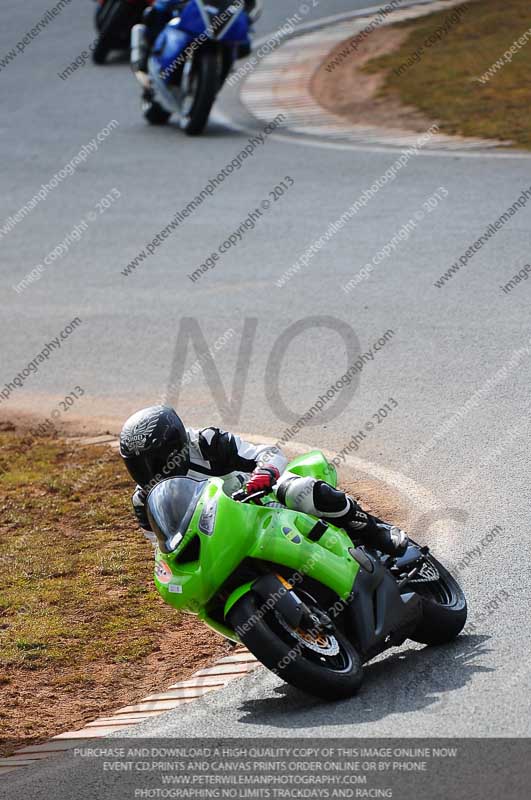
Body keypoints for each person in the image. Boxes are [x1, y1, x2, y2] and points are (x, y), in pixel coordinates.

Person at [119, 405, 408, 556]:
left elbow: (268, 454)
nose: (149, 472)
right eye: (138, 466)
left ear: (177, 445)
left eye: (155, 461)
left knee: (302, 491)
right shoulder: (144, 501)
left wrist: (263, 474)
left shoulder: (207, 443)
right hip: (223, 533)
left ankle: (374, 531)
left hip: (263, 499)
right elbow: (164, 549)